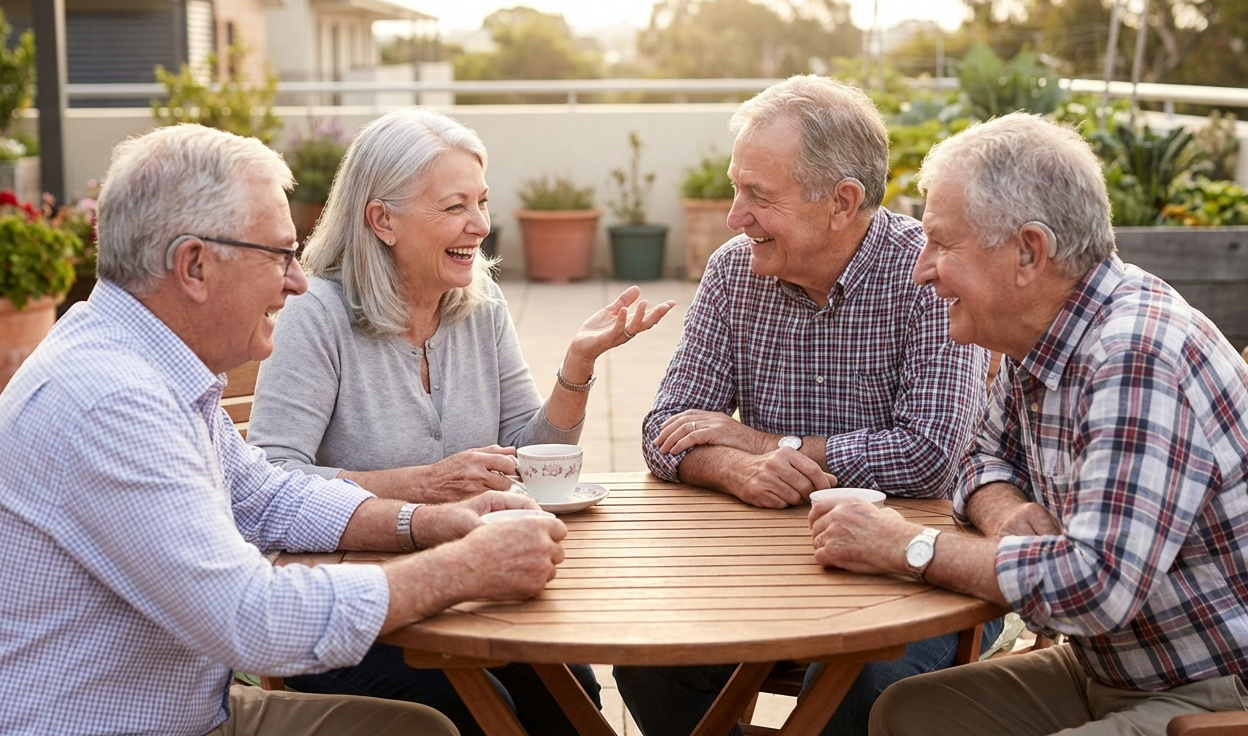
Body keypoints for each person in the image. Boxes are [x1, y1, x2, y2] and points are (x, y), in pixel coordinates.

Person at [0, 123, 570, 736]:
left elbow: (267, 496)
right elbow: (251, 620)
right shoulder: (110, 403)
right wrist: (462, 568)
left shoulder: (148, 368)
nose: (297, 281)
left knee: (447, 721)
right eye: (278, 255)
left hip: (198, 706)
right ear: (194, 265)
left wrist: (429, 522)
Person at [809, 113, 1248, 736]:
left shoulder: (1135, 354)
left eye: (942, 244)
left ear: (1028, 252)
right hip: (1106, 669)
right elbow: (977, 460)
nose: (921, 268)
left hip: (1212, 692)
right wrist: (1008, 515)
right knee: (906, 714)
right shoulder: (1039, 334)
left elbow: (1093, 587)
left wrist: (906, 546)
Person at [245, 107, 674, 736]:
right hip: (361, 609)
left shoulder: (480, 304)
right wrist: (423, 483)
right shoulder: (319, 317)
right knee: (480, 702)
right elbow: (275, 479)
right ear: (381, 220)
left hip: (473, 593)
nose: (480, 225)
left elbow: (527, 458)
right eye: (453, 207)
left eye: (482, 201)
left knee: (571, 689)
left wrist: (577, 364)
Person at [614, 75, 999, 736]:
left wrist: (765, 444)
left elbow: (929, 455)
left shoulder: (925, 275)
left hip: (919, 573)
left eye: (757, 196)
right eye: (738, 188)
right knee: (650, 659)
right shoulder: (735, 270)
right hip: (764, 570)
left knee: (861, 680)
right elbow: (663, 430)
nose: (736, 216)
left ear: (842, 202)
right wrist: (735, 469)